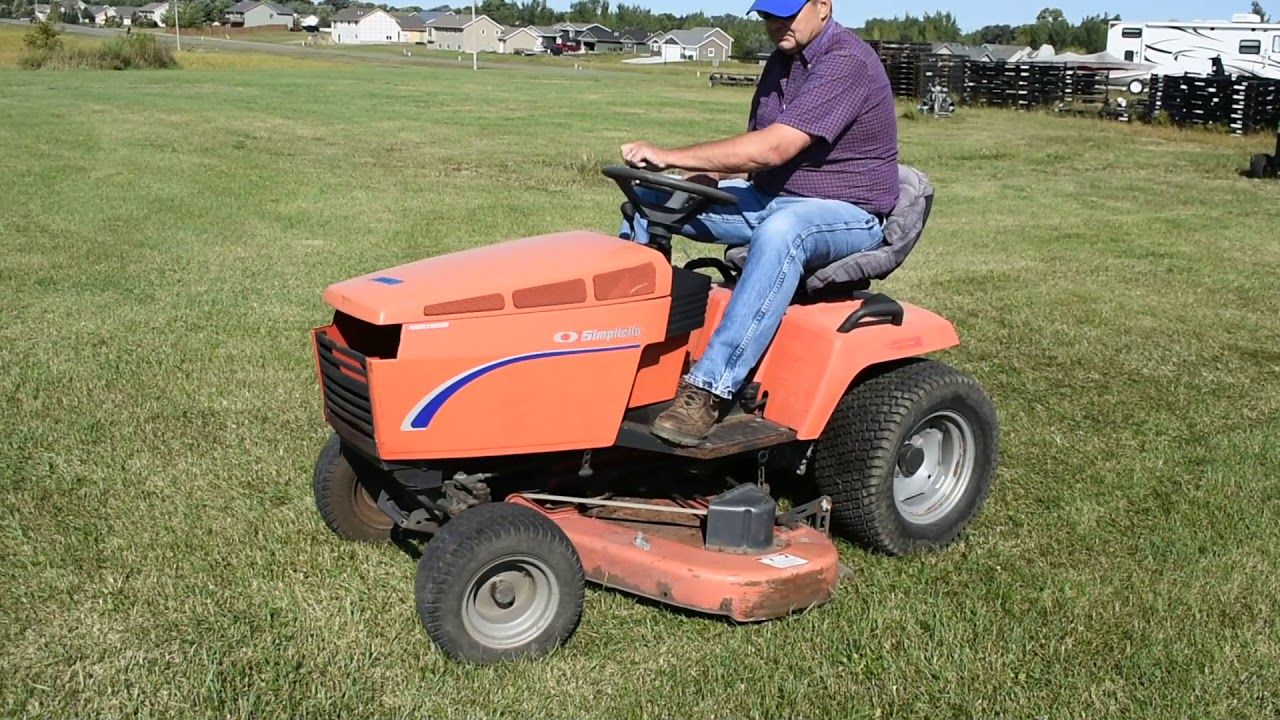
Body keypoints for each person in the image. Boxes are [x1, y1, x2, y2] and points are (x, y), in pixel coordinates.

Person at [616, 0, 900, 447]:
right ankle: (627, 345)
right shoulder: (781, 62)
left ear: (823, 6)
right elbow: (753, 156)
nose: (776, 24)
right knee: (649, 200)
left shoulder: (847, 62)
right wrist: (700, 177)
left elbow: (773, 149)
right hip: (773, 196)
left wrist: (670, 155)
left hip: (846, 210)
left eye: (787, 13)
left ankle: (710, 388)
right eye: (768, 16)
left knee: (783, 232)